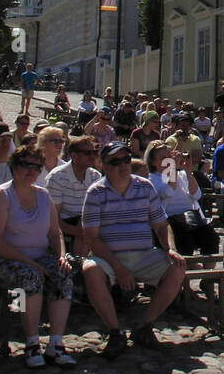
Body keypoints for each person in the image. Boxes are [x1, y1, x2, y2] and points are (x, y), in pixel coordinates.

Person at [79, 142, 187, 358]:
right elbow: (91, 237)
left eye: (126, 160)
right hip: (109, 257)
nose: (123, 165)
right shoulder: (96, 192)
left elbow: (160, 224)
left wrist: (170, 248)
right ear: (104, 166)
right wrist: (118, 268)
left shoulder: (145, 187)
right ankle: (114, 330)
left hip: (143, 254)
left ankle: (145, 326)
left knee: (177, 267)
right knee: (90, 270)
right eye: (115, 162)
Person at [0, 145, 75, 367]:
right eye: (25, 165)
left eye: (36, 166)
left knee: (62, 274)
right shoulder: (2, 196)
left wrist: (61, 255)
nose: (31, 171)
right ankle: (31, 342)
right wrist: (31, 263)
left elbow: (54, 232)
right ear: (14, 166)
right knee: (28, 278)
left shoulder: (43, 195)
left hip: (36, 257)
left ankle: (56, 344)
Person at [146, 141, 218, 255]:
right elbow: (168, 192)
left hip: (190, 217)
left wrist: (188, 172)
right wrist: (173, 170)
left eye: (169, 156)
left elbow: (196, 195)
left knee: (210, 238)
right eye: (163, 158)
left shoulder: (182, 175)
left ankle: (208, 268)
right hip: (170, 219)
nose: (167, 160)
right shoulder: (152, 179)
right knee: (184, 240)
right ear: (153, 162)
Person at [46, 135, 102, 254]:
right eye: (87, 153)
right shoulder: (57, 177)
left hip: (87, 223)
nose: (92, 156)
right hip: (66, 226)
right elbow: (53, 218)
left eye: (95, 152)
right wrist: (76, 231)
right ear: (74, 155)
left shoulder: (95, 176)